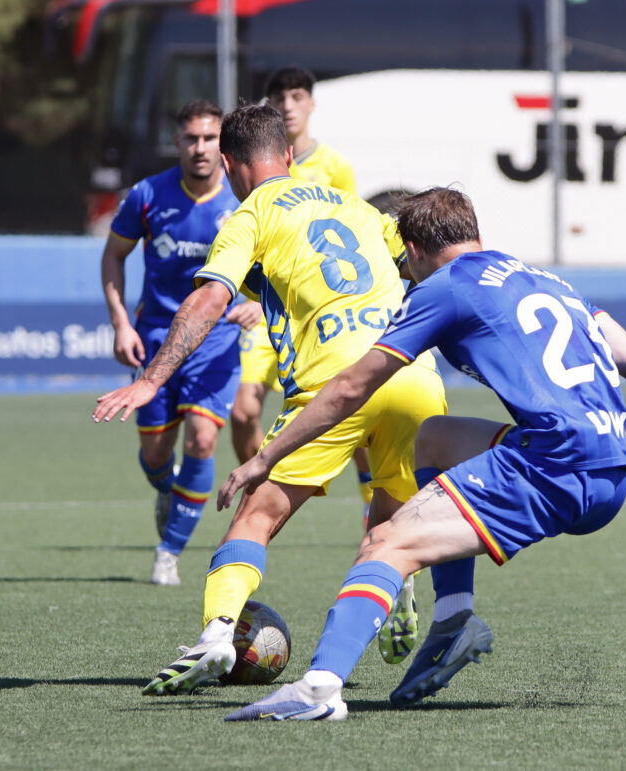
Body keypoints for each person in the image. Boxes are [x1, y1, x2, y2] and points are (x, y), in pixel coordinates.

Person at [217, 187, 626, 721]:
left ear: (414, 249)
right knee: (434, 438)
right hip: (612, 463)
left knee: (385, 543)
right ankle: (453, 619)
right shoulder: (545, 279)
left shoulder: (445, 287)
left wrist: (266, 456)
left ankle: (318, 689)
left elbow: (350, 387)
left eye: (404, 259)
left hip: (554, 462)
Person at [92, 104, 447, 693]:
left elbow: (209, 300)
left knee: (255, 518)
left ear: (230, 165)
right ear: (288, 156)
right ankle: (400, 587)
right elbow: (419, 260)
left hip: (335, 381)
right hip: (412, 372)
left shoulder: (248, 214)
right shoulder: (354, 205)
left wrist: (151, 378)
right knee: (389, 521)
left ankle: (215, 638)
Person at [99, 99, 260, 586]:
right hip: (154, 342)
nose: (200, 148)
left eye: (210, 138)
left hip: (217, 342)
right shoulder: (147, 195)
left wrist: (258, 303)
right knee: (154, 454)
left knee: (204, 437)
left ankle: (169, 550)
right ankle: (166, 491)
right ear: (177, 142)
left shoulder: (244, 202)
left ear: (223, 144)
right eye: (191, 138)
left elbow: (274, 266)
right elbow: (113, 258)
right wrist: (120, 324)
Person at [226, 64, 375, 522]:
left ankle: (375, 508)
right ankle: (264, 486)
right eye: (280, 98)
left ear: (311, 103)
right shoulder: (253, 167)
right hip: (267, 310)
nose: (288, 105)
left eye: (296, 96)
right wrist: (254, 299)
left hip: (320, 313)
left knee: (360, 412)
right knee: (243, 411)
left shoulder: (334, 167)